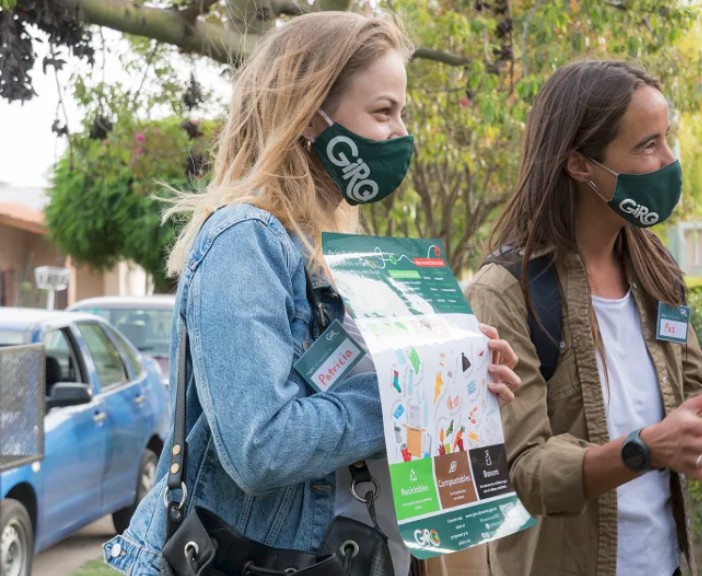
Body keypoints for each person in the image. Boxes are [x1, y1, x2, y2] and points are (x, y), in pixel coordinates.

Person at [102, 12, 521, 576]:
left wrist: (460, 379)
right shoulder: (243, 242)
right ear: (308, 115)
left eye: (404, 113)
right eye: (383, 111)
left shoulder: (346, 255)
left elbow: (367, 418)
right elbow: (261, 447)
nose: (402, 134)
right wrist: (409, 397)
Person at [463, 60, 702, 576]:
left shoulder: (658, 272)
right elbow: (525, 472)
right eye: (647, 145)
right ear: (580, 165)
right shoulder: (507, 291)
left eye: (666, 138)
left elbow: (687, 417)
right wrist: (643, 450)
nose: (670, 160)